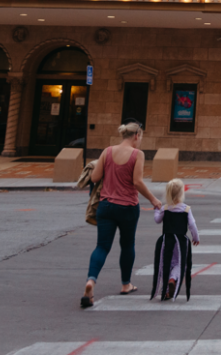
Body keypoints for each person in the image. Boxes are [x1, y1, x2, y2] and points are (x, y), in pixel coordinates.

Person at [81, 121, 162, 309]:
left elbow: (94, 178)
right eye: (140, 137)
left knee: (102, 246)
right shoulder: (137, 155)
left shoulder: (107, 151)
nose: (140, 141)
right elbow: (137, 182)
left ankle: (91, 282)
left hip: (106, 206)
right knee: (127, 245)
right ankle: (126, 284)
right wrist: (153, 200)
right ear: (136, 136)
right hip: (127, 207)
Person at [151, 178, 200, 301]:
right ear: (181, 193)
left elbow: (157, 220)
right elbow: (192, 225)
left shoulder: (165, 208)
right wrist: (195, 237)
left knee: (166, 263)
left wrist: (156, 209)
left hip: (167, 240)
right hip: (180, 242)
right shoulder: (186, 209)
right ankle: (173, 279)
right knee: (179, 263)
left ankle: (166, 290)